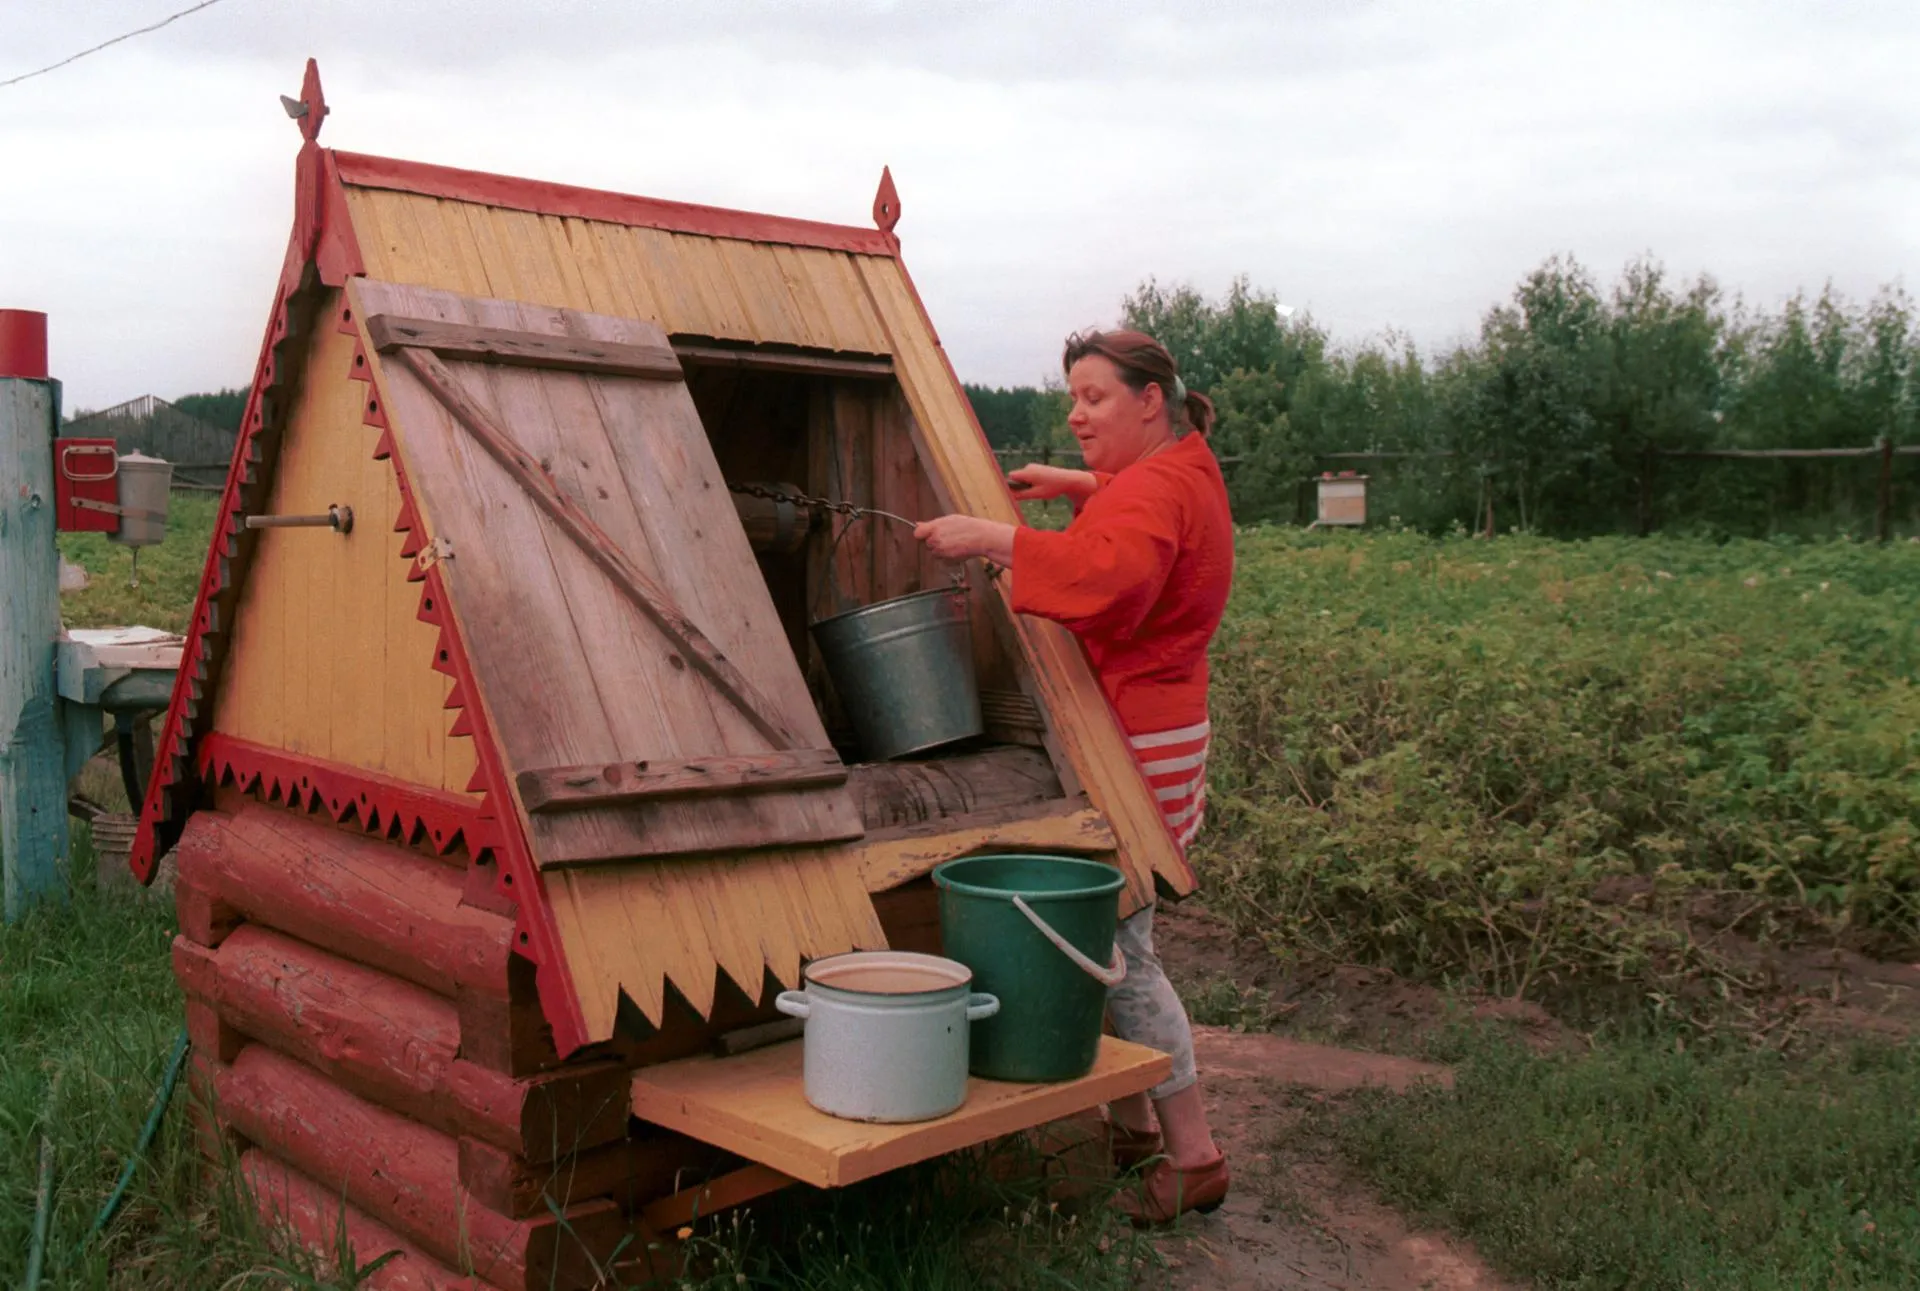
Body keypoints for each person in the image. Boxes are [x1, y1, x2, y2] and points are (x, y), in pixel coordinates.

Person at [914, 328, 1234, 1225]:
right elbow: (1139, 507)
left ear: (1149, 399)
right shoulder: (1183, 464)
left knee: (1121, 948)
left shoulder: (1159, 489)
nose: (1077, 415)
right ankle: (1132, 1128)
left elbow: (1112, 573)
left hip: (1139, 732)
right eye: (1072, 399)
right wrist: (1073, 485)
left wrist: (995, 538)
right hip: (1161, 723)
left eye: (1095, 397)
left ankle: (1196, 1155)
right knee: (1104, 937)